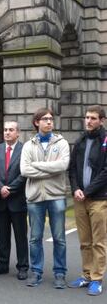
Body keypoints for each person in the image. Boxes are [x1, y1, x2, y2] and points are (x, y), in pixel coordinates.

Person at [20, 108, 70, 288]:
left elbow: (63, 165)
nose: (49, 122)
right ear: (36, 122)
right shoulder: (28, 145)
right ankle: (36, 272)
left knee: (60, 238)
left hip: (56, 196)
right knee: (34, 238)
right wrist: (50, 169)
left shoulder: (62, 142)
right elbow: (25, 170)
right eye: (45, 119)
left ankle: (60, 273)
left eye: (51, 119)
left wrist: (37, 166)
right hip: (34, 197)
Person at [68, 105, 107, 296]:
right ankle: (87, 275)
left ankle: (97, 279)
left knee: (99, 242)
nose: (89, 121)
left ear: (101, 120)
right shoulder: (81, 140)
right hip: (80, 198)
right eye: (87, 117)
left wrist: (87, 191)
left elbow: (105, 173)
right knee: (84, 241)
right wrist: (76, 189)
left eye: (93, 118)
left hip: (99, 199)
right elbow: (72, 169)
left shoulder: (105, 141)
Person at [0, 122, 29, 280]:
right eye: (5, 129)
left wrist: (10, 189)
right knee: (3, 235)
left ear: (18, 133)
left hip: (17, 200)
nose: (7, 132)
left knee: (20, 236)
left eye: (11, 130)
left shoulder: (24, 149)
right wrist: (0, 188)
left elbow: (25, 173)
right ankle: (3, 264)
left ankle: (23, 266)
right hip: (0, 200)